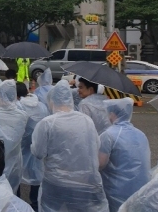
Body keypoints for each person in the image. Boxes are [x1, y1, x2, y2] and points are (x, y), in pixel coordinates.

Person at [31, 80, 109, 212]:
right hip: (85, 180)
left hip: (56, 181)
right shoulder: (86, 120)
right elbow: (96, 145)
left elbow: (38, 153)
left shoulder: (47, 123)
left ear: (52, 101)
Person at [99, 98, 151, 212]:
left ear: (112, 114)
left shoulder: (108, 135)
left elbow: (100, 164)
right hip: (141, 189)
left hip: (117, 191)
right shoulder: (140, 134)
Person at [15, 82, 49, 211]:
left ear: (16, 95)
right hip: (38, 145)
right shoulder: (41, 105)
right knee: (37, 171)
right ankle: (34, 204)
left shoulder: (17, 106)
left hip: (20, 146)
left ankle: (17, 203)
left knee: (16, 171)